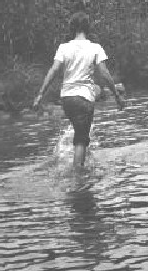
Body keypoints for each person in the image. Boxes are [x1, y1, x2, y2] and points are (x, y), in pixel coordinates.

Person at [32, 11, 125, 168]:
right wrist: (116, 95)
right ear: (88, 28)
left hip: (67, 99)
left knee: (79, 134)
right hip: (84, 99)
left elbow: (53, 71)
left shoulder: (63, 48)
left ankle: (79, 162)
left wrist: (40, 94)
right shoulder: (95, 48)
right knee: (81, 140)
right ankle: (77, 178)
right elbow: (104, 73)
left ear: (72, 28)